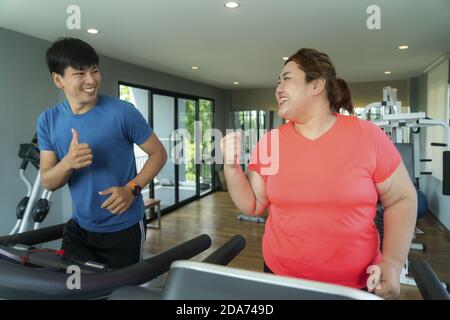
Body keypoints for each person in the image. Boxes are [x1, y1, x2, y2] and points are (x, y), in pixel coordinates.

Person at [220, 48, 417, 299]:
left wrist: (392, 262)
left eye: (287, 78)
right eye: (277, 81)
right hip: (280, 277)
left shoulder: (368, 136)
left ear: (317, 85)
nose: (278, 87)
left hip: (355, 285)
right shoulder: (271, 143)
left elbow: (402, 199)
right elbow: (253, 203)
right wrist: (231, 166)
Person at [37, 37, 167, 269]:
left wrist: (132, 189)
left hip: (124, 228)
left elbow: (158, 153)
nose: (91, 80)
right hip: (80, 228)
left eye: (94, 70)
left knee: (120, 292)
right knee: (74, 289)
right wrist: (67, 163)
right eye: (80, 73)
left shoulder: (122, 112)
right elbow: (48, 181)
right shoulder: (48, 120)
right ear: (59, 80)